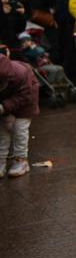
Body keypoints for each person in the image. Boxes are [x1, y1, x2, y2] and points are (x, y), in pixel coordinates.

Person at [0, 49, 38, 178]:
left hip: (26, 101)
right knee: (3, 129)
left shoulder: (20, 74)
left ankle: (21, 160)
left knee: (19, 129)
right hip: (5, 101)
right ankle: (1, 161)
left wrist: (3, 107)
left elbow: (25, 96)